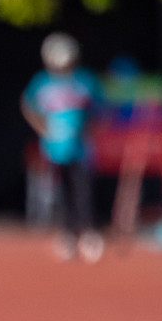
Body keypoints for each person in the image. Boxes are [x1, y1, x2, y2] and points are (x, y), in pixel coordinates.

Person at [22, 33, 103, 261]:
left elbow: (98, 110)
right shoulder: (42, 82)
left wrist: (90, 131)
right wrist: (43, 129)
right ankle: (66, 235)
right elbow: (28, 105)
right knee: (61, 192)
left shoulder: (84, 81)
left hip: (81, 149)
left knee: (83, 190)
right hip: (54, 150)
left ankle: (88, 233)